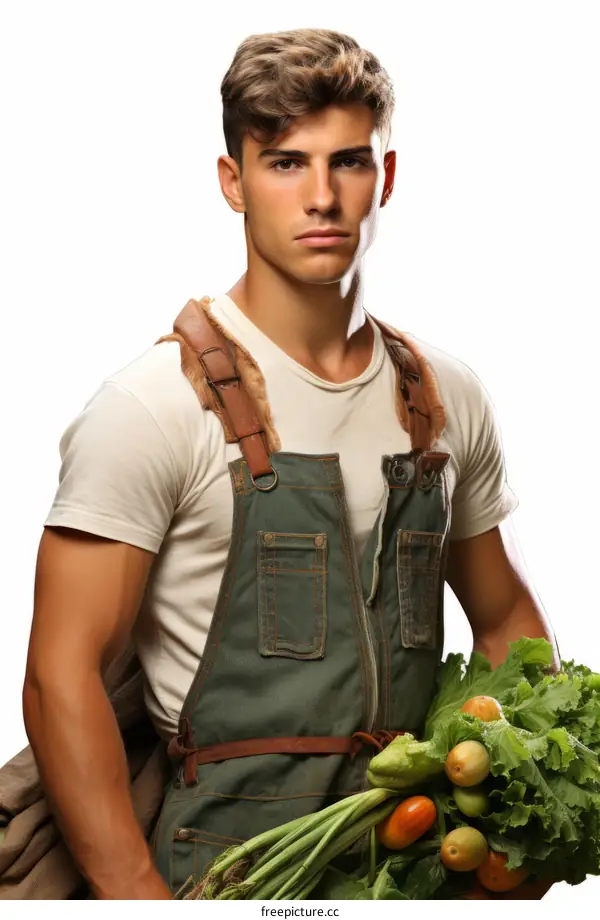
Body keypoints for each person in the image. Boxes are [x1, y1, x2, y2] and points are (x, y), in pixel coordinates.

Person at [15, 28, 557, 900]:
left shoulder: (447, 398)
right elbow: (59, 675)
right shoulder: (152, 407)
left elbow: (507, 627)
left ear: (386, 178)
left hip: (408, 872)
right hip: (223, 873)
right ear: (233, 182)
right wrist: (140, 904)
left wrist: (515, 824)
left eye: (347, 162)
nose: (321, 197)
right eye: (284, 163)